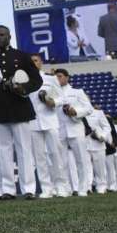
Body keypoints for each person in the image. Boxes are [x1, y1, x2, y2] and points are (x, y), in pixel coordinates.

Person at [0, 26, 42, 200]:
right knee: (3, 151)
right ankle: (8, 189)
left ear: (10, 36)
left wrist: (23, 88)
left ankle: (28, 188)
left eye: (2, 35)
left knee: (24, 149)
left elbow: (37, 79)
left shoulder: (22, 56)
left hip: (20, 107)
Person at [28, 53, 67, 198]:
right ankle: (46, 188)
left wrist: (54, 102)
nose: (33, 63)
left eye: (36, 60)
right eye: (31, 61)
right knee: (40, 157)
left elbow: (61, 98)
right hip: (33, 121)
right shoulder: (25, 80)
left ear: (41, 62)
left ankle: (61, 186)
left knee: (55, 154)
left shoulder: (51, 79)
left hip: (50, 119)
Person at [54, 69, 92, 197]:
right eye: (56, 77)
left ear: (67, 77)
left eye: (60, 76)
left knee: (81, 160)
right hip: (59, 129)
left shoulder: (77, 92)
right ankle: (65, 189)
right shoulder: (53, 93)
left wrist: (75, 111)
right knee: (61, 162)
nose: (58, 79)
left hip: (75, 127)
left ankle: (83, 188)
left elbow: (89, 108)